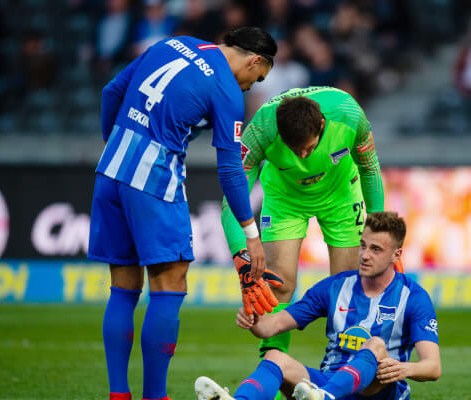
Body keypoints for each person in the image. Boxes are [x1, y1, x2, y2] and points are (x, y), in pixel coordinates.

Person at [87, 27, 277, 400]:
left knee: (123, 289)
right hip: (153, 179)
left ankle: (118, 394)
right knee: (169, 285)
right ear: (255, 60)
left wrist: (114, 144)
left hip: (110, 169)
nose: (251, 87)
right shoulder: (225, 89)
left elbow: (112, 90)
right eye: (258, 78)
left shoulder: (174, 43)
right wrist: (250, 234)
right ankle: (155, 396)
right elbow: (230, 169)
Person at [196, 212, 441, 400]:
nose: (365, 255)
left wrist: (403, 369)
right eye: (363, 245)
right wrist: (255, 320)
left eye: (376, 249)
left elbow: (433, 366)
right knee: (275, 356)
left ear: (396, 255)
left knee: (376, 346)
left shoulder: (414, 297)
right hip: (326, 381)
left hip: (377, 390)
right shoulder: (334, 287)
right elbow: (272, 327)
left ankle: (325, 396)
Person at [220, 86, 385, 360]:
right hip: (285, 199)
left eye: (308, 147)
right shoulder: (261, 130)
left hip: (341, 194)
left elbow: (369, 167)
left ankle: (341, 365)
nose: (302, 157)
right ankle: (273, 365)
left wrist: (379, 227)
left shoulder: (349, 114)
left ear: (322, 124)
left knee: (345, 286)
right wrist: (241, 251)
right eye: (294, 150)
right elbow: (232, 198)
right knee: (279, 283)